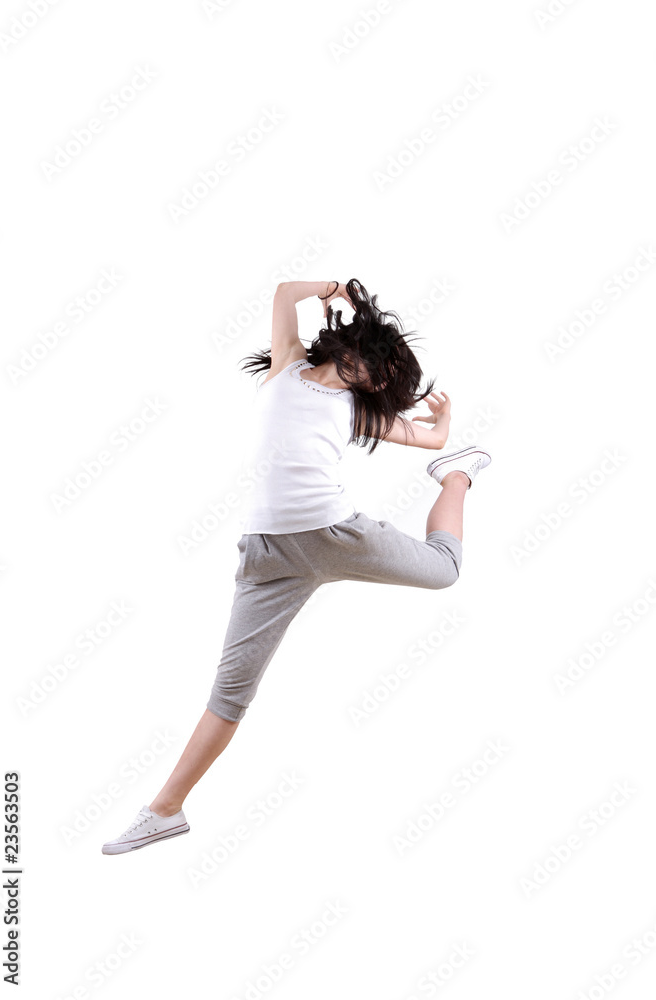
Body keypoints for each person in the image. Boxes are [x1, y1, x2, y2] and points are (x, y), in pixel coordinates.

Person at [101, 278, 491, 855]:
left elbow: (431, 438)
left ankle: (459, 478)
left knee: (443, 570)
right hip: (264, 553)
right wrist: (334, 288)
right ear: (356, 353)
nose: (384, 386)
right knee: (231, 692)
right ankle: (165, 811)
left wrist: (445, 429)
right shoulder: (285, 366)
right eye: (384, 374)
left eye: (388, 383)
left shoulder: (355, 410)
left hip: (332, 535)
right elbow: (285, 292)